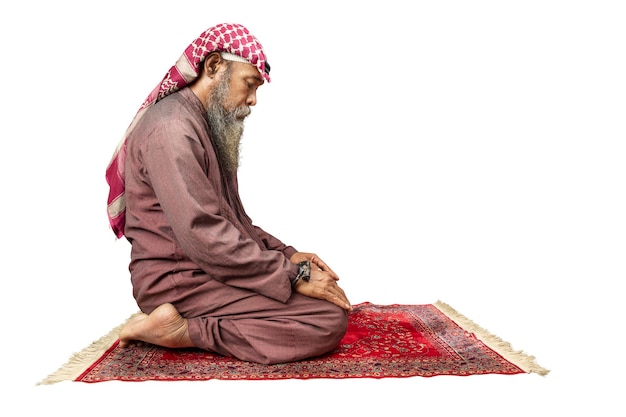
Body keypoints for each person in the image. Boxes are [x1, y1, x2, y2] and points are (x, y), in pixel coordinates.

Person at [104, 23, 351, 365]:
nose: (252, 100)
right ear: (214, 66)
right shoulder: (173, 129)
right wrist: (293, 277)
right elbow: (204, 235)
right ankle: (183, 330)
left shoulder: (203, 123)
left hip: (205, 268)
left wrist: (289, 255)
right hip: (175, 281)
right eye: (250, 84)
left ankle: (190, 325)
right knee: (325, 320)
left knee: (325, 305)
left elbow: (234, 222)